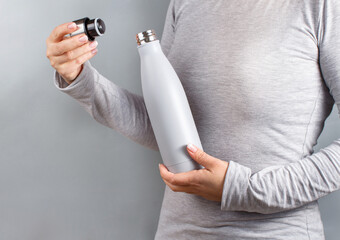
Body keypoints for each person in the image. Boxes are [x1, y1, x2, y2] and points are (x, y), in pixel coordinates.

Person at [46, 0, 340, 239]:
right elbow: (169, 130)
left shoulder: (321, 7)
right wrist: (82, 79)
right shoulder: (187, 3)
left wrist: (241, 188)